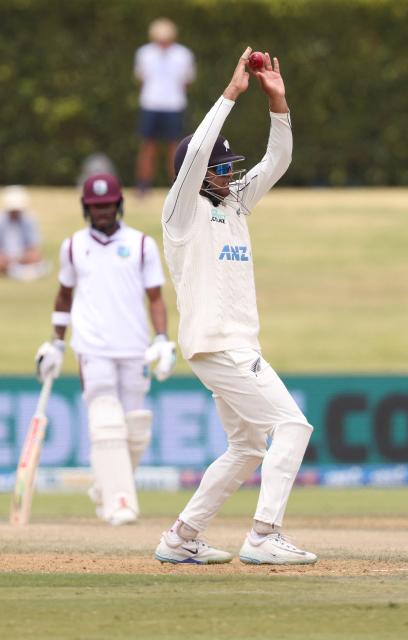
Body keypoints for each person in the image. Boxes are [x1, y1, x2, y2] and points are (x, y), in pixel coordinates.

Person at [155, 47, 317, 565]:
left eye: (229, 167)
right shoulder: (180, 212)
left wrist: (278, 104)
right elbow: (199, 148)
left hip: (231, 344)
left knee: (247, 447)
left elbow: (279, 161)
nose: (227, 174)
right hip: (220, 343)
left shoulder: (236, 202)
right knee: (293, 425)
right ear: (198, 173)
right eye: (218, 168)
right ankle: (264, 535)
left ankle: (180, 537)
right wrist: (231, 93)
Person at [35, 173, 176, 526]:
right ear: (86, 207)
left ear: (119, 204)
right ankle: (120, 501)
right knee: (105, 422)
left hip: (134, 347)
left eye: (108, 204)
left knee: (135, 427)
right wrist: (56, 342)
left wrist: (161, 339)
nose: (102, 211)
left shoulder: (142, 244)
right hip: (92, 348)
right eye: (96, 206)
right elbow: (64, 297)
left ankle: (105, 486)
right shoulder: (73, 246)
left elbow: (155, 298)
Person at [134, 18, 196, 195]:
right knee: (148, 145)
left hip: (174, 105)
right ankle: (143, 185)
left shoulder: (183, 54)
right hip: (150, 103)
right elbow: (142, 78)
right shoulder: (144, 53)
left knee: (175, 147)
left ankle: (176, 185)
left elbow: (186, 81)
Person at [0, 185, 49, 280]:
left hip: (23, 257)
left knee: (36, 257)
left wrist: (21, 258)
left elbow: (33, 247)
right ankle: (16, 271)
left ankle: (12, 271)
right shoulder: (1, 220)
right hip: (4, 257)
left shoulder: (29, 219)